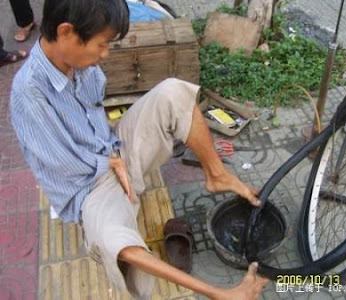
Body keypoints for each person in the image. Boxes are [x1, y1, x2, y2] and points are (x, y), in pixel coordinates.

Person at [10, 0, 268, 299]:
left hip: (112, 149)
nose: (105, 54)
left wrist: (117, 154)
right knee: (112, 241)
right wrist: (110, 162)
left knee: (173, 92)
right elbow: (65, 166)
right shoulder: (28, 93)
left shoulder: (80, 63)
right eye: (102, 45)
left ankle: (216, 175)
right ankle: (218, 293)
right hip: (88, 186)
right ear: (66, 32)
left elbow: (97, 115)